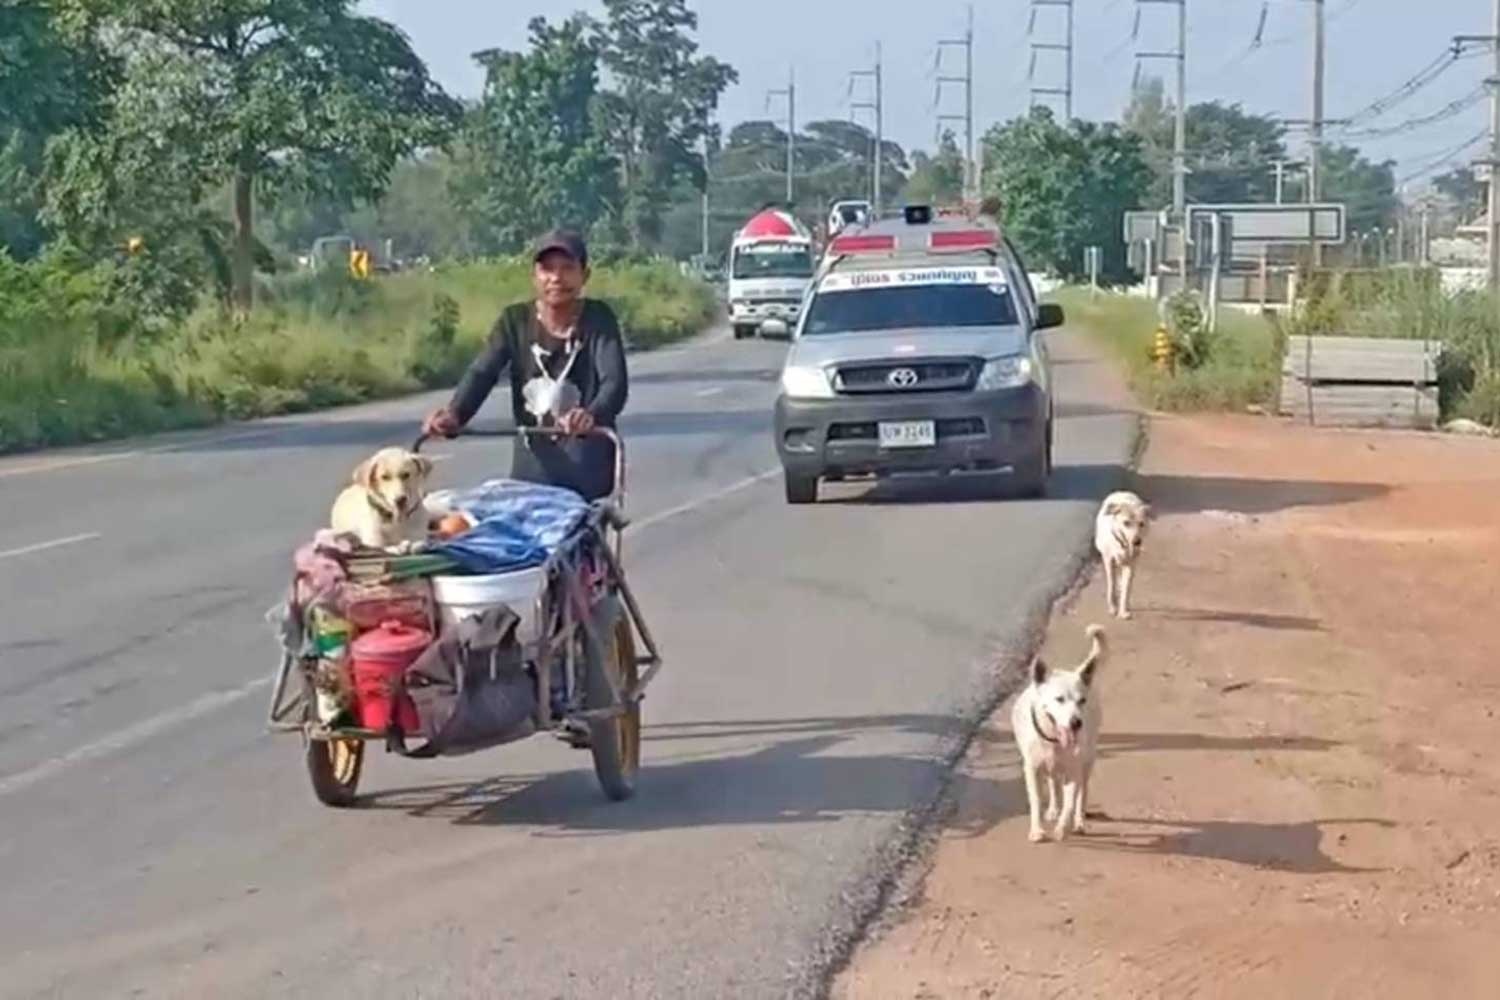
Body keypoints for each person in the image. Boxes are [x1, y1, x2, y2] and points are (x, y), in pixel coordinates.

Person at [422, 229, 628, 501]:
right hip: (533, 470)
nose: (556, 278)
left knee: (580, 535)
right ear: (534, 276)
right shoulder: (514, 321)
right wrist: (455, 414)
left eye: (567, 268)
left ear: (584, 276)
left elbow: (614, 381)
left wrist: (591, 414)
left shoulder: (598, 318)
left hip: (587, 467)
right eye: (547, 269)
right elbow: (483, 372)